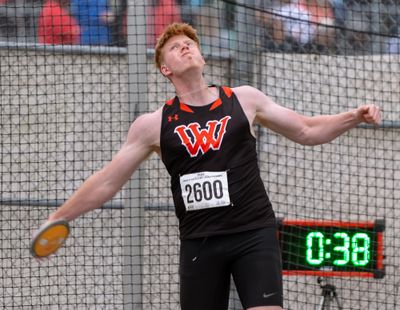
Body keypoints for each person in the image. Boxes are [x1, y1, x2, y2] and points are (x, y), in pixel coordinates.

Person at [38, 22, 381, 310]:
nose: (185, 47)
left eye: (190, 43)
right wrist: (60, 216)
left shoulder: (244, 99)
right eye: (175, 47)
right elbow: (106, 182)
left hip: (254, 233)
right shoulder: (153, 124)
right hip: (200, 242)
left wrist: (353, 116)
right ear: (165, 69)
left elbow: (306, 130)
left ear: (202, 56)